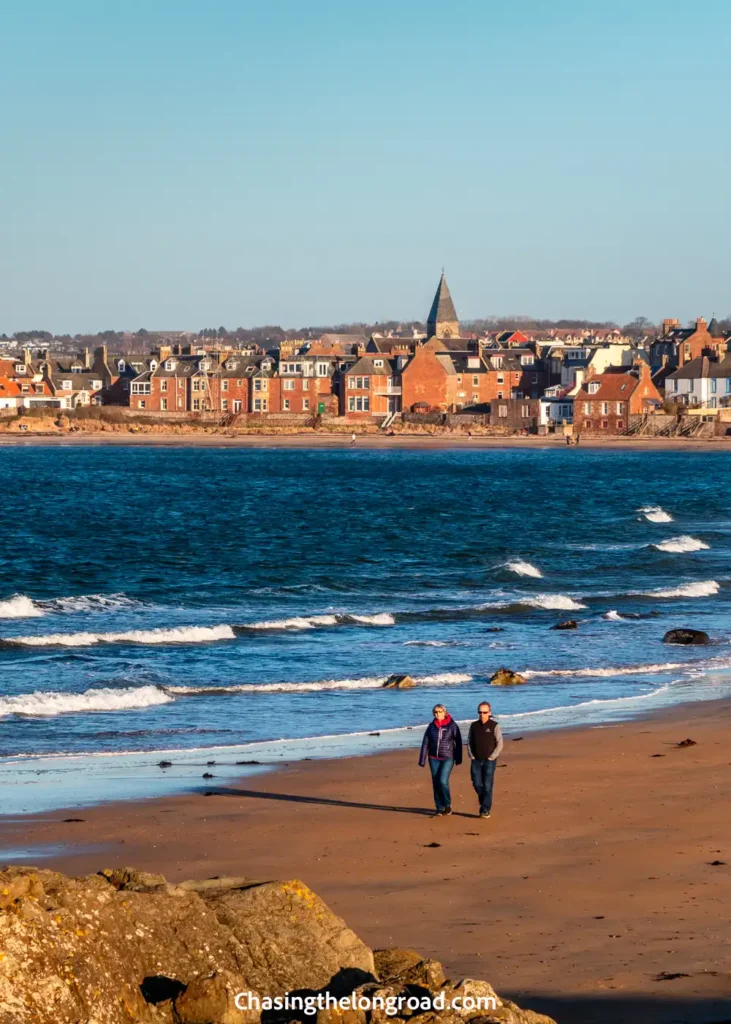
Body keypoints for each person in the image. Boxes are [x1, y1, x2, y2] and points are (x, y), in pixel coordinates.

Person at [418, 704, 463, 816]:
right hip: (433, 758)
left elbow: (458, 742)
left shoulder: (452, 726)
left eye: (440, 711)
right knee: (436, 782)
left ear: (445, 712)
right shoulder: (431, 726)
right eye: (436, 712)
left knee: (443, 781)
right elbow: (425, 743)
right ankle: (439, 807)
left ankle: (447, 805)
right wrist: (422, 759)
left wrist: (458, 758)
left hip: (448, 757)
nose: (438, 714)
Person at [467, 701, 503, 819]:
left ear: (489, 712)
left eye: (485, 712)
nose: (482, 714)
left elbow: (500, 744)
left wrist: (492, 757)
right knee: (477, 784)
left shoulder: (494, 726)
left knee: (487, 786)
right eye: (480, 712)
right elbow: (469, 741)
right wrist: (471, 755)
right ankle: (484, 803)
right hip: (476, 760)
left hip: (489, 761)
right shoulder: (474, 726)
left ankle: (485, 810)